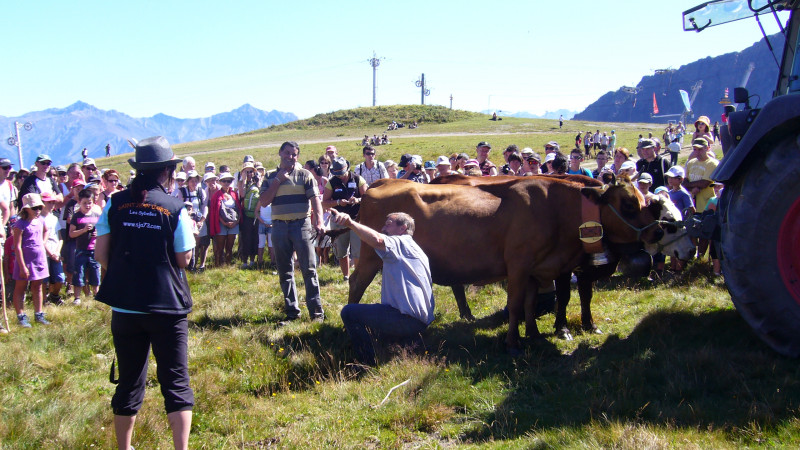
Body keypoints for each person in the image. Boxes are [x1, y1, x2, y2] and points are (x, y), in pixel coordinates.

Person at [94, 136, 194, 450]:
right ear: (167, 172)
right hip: (167, 307)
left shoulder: (115, 202)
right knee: (176, 381)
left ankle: (124, 447)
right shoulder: (175, 207)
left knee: (128, 380)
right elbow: (183, 259)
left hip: (125, 306)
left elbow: (100, 254)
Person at [334, 210, 434, 366]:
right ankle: (406, 342)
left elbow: (378, 240)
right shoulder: (417, 250)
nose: (383, 228)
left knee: (349, 312)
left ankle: (366, 362)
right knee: (374, 320)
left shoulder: (400, 242)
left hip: (406, 319)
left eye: (388, 224)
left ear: (403, 228)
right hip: (421, 321)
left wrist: (350, 223)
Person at [259, 141, 325, 323]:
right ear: (280, 153)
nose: (290, 157)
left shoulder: (305, 175)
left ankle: (316, 313)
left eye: (294, 154)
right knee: (285, 271)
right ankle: (292, 312)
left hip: (301, 225)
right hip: (279, 227)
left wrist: (319, 220)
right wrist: (278, 181)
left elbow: (315, 200)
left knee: (309, 269)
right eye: (287, 153)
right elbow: (264, 201)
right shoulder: (270, 177)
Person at [322, 156, 367, 281]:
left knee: (358, 250)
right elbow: (324, 203)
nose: (340, 176)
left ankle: (358, 276)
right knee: (341, 250)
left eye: (342, 173)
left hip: (356, 220)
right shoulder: (331, 182)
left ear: (347, 167)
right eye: (337, 174)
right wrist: (337, 202)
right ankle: (346, 276)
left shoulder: (358, 179)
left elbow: (367, 198)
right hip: (338, 221)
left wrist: (357, 200)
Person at [12, 193, 50, 327]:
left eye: (39, 207)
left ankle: (38, 313)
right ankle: (21, 316)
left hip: (39, 258)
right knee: (21, 287)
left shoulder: (40, 221)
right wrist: (22, 266)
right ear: (26, 209)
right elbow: (17, 246)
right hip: (25, 260)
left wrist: (42, 243)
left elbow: (46, 231)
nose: (38, 210)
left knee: (38, 286)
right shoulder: (20, 224)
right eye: (34, 208)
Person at [69, 188, 102, 305]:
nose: (87, 205)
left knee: (95, 271)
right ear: (79, 202)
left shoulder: (97, 215)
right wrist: (83, 230)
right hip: (81, 250)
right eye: (84, 203)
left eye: (90, 203)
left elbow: (102, 230)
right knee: (79, 271)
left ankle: (96, 294)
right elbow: (71, 233)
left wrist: (97, 233)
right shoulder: (76, 216)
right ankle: (77, 297)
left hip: (94, 249)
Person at [208, 172, 241, 267]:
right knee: (220, 247)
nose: (226, 183)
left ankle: (228, 264)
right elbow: (215, 212)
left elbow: (238, 209)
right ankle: (218, 264)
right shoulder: (216, 195)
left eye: (229, 181)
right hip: (221, 224)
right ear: (220, 182)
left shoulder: (234, 194)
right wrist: (224, 223)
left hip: (233, 223)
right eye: (224, 181)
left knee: (230, 246)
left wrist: (236, 222)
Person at [42, 192, 65, 306]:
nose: (51, 205)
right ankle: (43, 300)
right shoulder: (39, 219)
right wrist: (50, 253)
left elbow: (60, 238)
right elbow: (41, 240)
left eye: (53, 202)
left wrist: (57, 251)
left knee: (60, 278)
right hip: (44, 253)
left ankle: (54, 296)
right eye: (48, 202)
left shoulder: (54, 218)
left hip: (55, 251)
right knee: (43, 280)